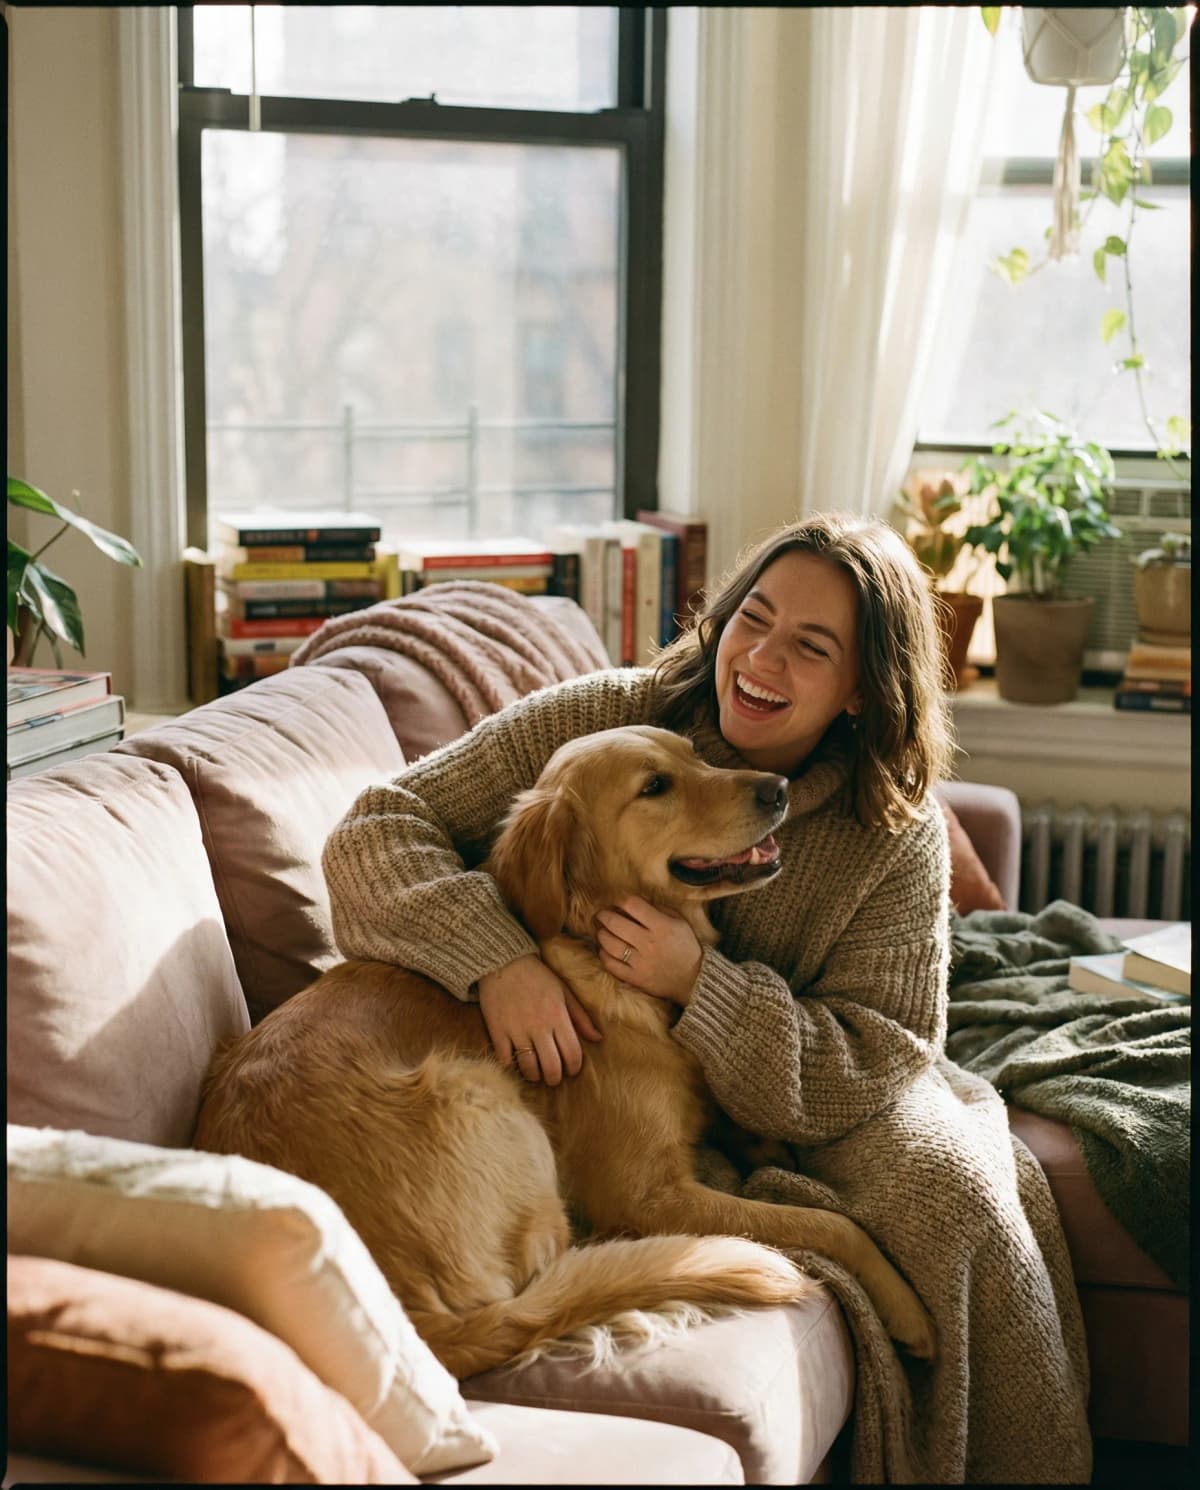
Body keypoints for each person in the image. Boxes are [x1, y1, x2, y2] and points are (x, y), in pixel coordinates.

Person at [322, 511, 1091, 1482]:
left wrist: (703, 986)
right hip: (597, 1082)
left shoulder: (893, 831)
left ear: (860, 691)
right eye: (753, 618)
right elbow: (374, 831)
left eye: (811, 646)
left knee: (965, 1195)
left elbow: (882, 1057)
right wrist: (497, 960)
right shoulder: (602, 724)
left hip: (813, 1079)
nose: (761, 659)